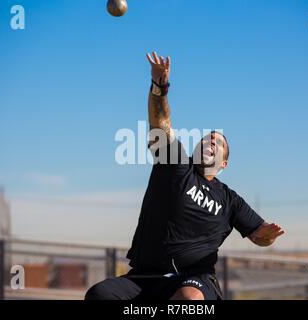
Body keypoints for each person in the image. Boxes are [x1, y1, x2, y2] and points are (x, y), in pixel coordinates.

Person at [85, 51, 285, 300]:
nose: (210, 141)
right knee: (100, 294)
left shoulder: (230, 199)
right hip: (146, 277)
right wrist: (160, 87)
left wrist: (266, 235)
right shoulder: (176, 165)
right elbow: (160, 123)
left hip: (195, 279)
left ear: (224, 162)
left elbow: (258, 234)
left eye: (218, 142)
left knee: (188, 300)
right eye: (206, 138)